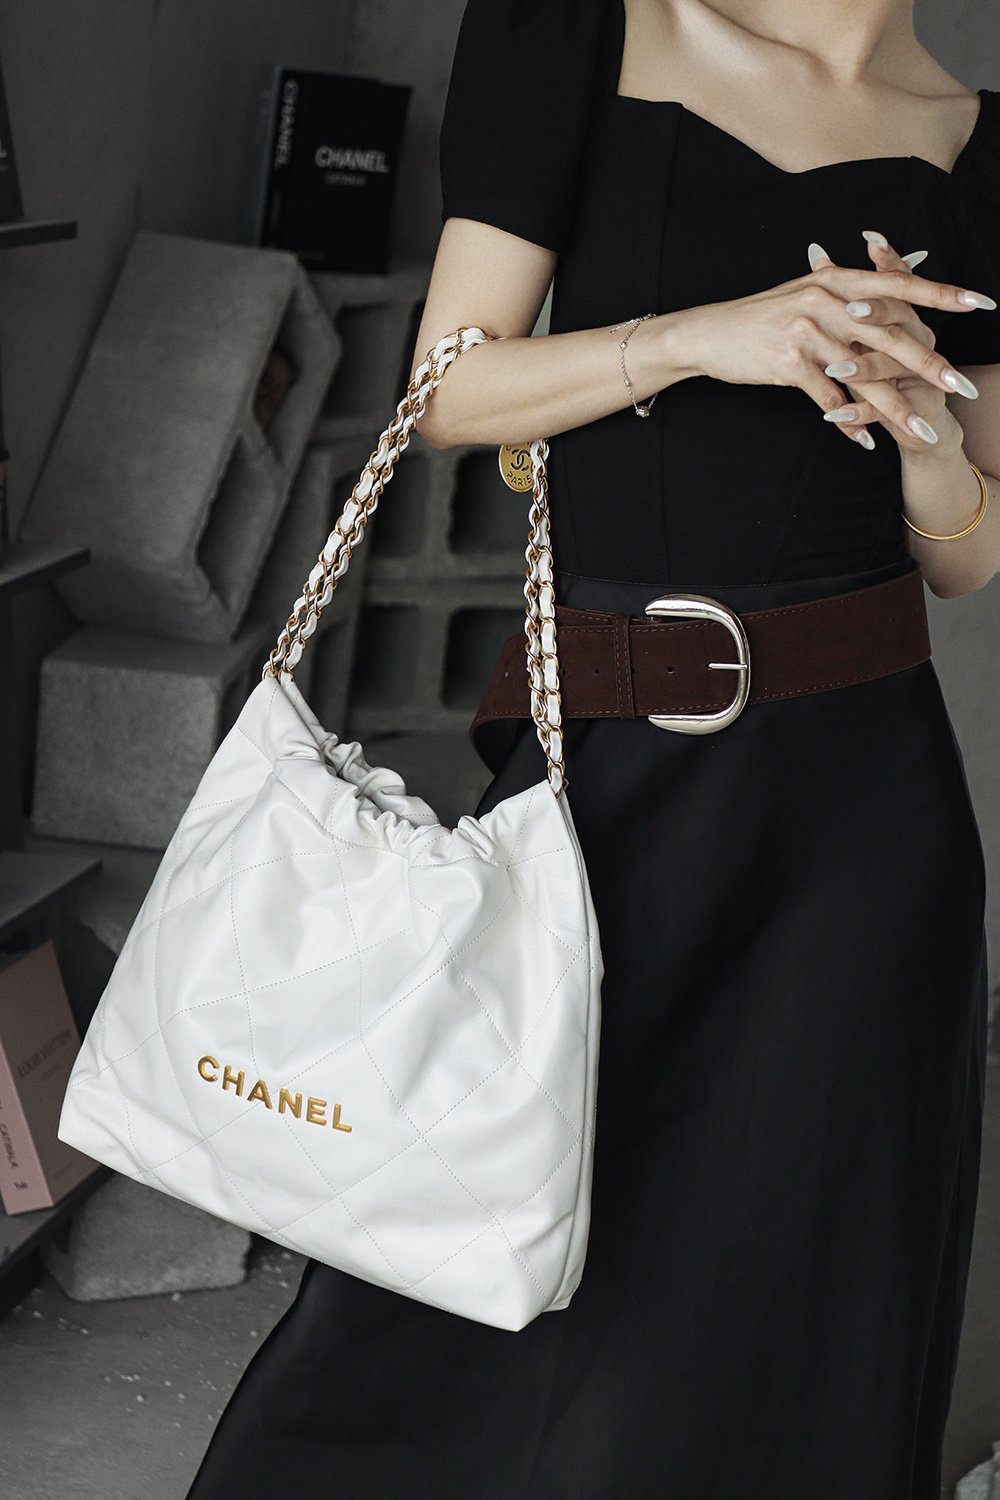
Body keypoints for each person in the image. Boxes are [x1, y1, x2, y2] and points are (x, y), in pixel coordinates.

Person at [184, 1, 1000, 1495]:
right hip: (616, 771)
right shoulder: (581, 25)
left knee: (798, 1318)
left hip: (870, 822)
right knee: (456, 1284)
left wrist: (927, 430)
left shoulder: (980, 140)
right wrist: (708, 338)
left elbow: (968, 552)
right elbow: (448, 389)